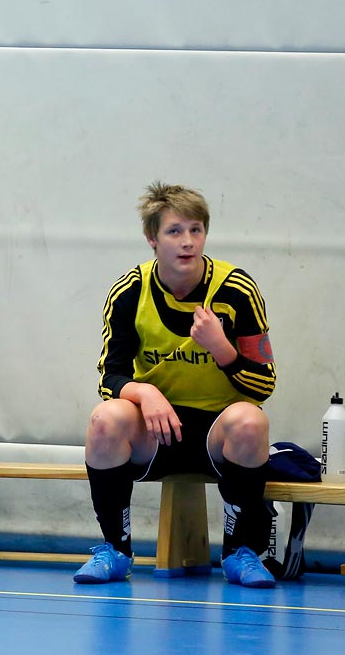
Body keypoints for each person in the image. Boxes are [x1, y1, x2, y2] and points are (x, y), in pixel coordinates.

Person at [78, 182, 279, 588]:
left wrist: (222, 349)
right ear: (152, 239)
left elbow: (263, 385)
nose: (187, 242)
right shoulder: (130, 291)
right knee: (105, 418)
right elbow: (110, 376)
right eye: (174, 232)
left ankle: (240, 553)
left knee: (251, 421)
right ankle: (115, 550)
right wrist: (145, 392)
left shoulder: (236, 290)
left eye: (195, 230)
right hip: (157, 431)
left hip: (217, 436)